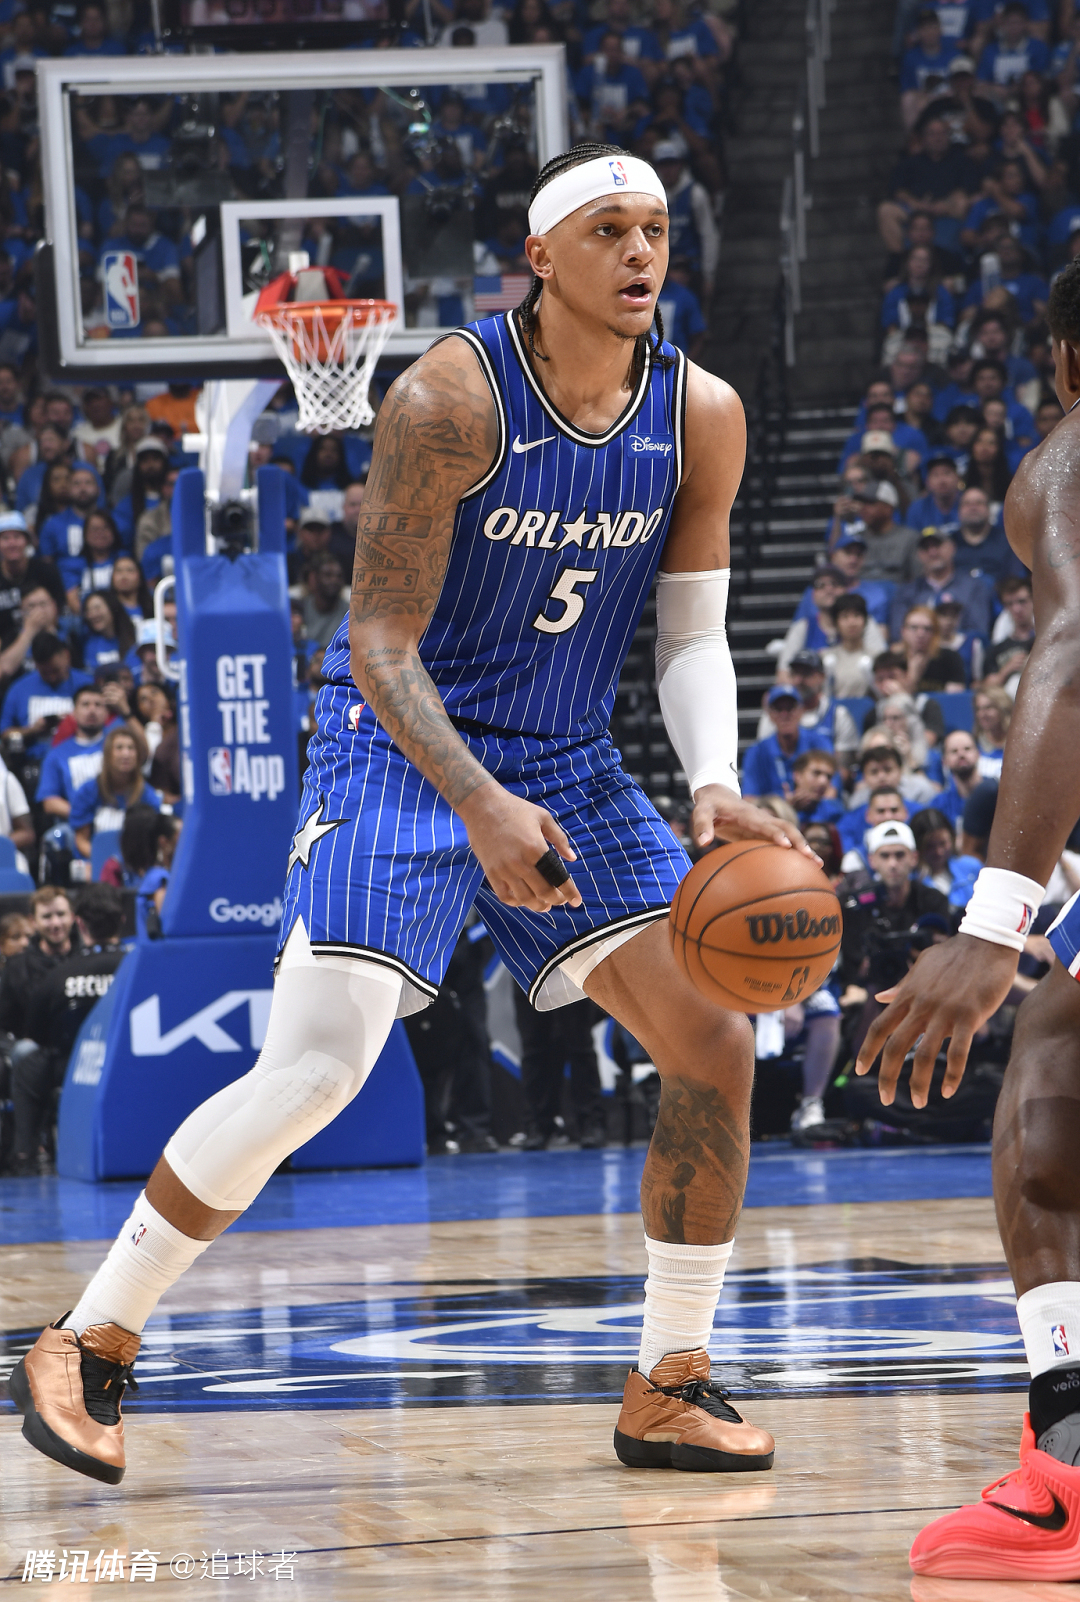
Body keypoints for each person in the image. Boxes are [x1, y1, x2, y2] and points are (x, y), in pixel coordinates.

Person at [10, 143, 806, 1487]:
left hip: (565, 756)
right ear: (539, 258)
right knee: (320, 1068)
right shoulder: (448, 396)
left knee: (715, 1040)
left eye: (656, 229)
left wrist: (714, 777)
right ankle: (88, 1338)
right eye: (608, 229)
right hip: (397, 745)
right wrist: (478, 801)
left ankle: (669, 1382)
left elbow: (690, 635)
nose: (640, 252)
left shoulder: (702, 414)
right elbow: (380, 642)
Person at [852, 236, 1080, 1595]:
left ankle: (1070, 1469)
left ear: (1064, 362)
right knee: (1060, 1048)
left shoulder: (1068, 458)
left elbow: (1077, 649)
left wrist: (995, 921)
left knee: (1048, 1080)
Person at [15, 884, 126, 1177]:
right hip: (129, 1066)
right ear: (123, 920)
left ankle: (24, 1154)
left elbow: (35, 1035)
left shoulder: (58, 976)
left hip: (73, 1069)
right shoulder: (138, 969)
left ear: (79, 923)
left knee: (28, 1062)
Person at [0, 887, 79, 1176]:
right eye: (47, 917)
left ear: (73, 917)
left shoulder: (86, 958)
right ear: (34, 922)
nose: (55, 923)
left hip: (82, 1050)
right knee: (26, 1052)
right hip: (36, 1053)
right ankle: (30, 1147)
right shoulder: (17, 967)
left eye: (60, 914)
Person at [513, 987, 607, 1148]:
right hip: (527, 973)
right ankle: (537, 1124)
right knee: (533, 1046)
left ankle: (590, 1122)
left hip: (570, 973)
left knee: (580, 1043)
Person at [69, 724, 159, 860]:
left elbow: (149, 842)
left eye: (131, 748)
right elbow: (82, 841)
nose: (126, 754)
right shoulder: (87, 791)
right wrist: (105, 861)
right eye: (119, 748)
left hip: (134, 862)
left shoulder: (148, 795)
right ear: (107, 754)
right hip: (94, 860)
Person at [890, 532, 994, 641]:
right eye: (926, 548)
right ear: (919, 555)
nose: (932, 552)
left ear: (952, 548)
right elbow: (898, 634)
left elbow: (978, 632)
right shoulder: (906, 592)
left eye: (937, 545)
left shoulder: (974, 587)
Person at [36, 683, 110, 821]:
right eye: (85, 704)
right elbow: (50, 801)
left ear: (106, 713)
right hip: (77, 823)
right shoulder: (56, 755)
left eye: (98, 705)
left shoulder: (118, 746)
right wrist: (84, 816)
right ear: (74, 713)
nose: (92, 710)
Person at [742, 685, 832, 797]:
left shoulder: (819, 743)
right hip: (773, 808)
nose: (784, 715)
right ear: (770, 714)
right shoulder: (756, 752)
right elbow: (748, 798)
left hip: (815, 805)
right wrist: (781, 804)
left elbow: (832, 790)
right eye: (778, 709)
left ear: (801, 711)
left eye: (790, 708)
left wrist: (809, 799)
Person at [935, 726, 983, 835]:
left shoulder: (996, 795)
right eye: (954, 751)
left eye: (967, 749)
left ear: (978, 754)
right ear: (944, 761)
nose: (961, 755)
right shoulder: (938, 804)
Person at [972, 685, 1012, 777]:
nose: (981, 714)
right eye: (978, 709)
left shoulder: (1018, 743)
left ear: (1003, 708)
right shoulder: (973, 745)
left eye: (988, 708)